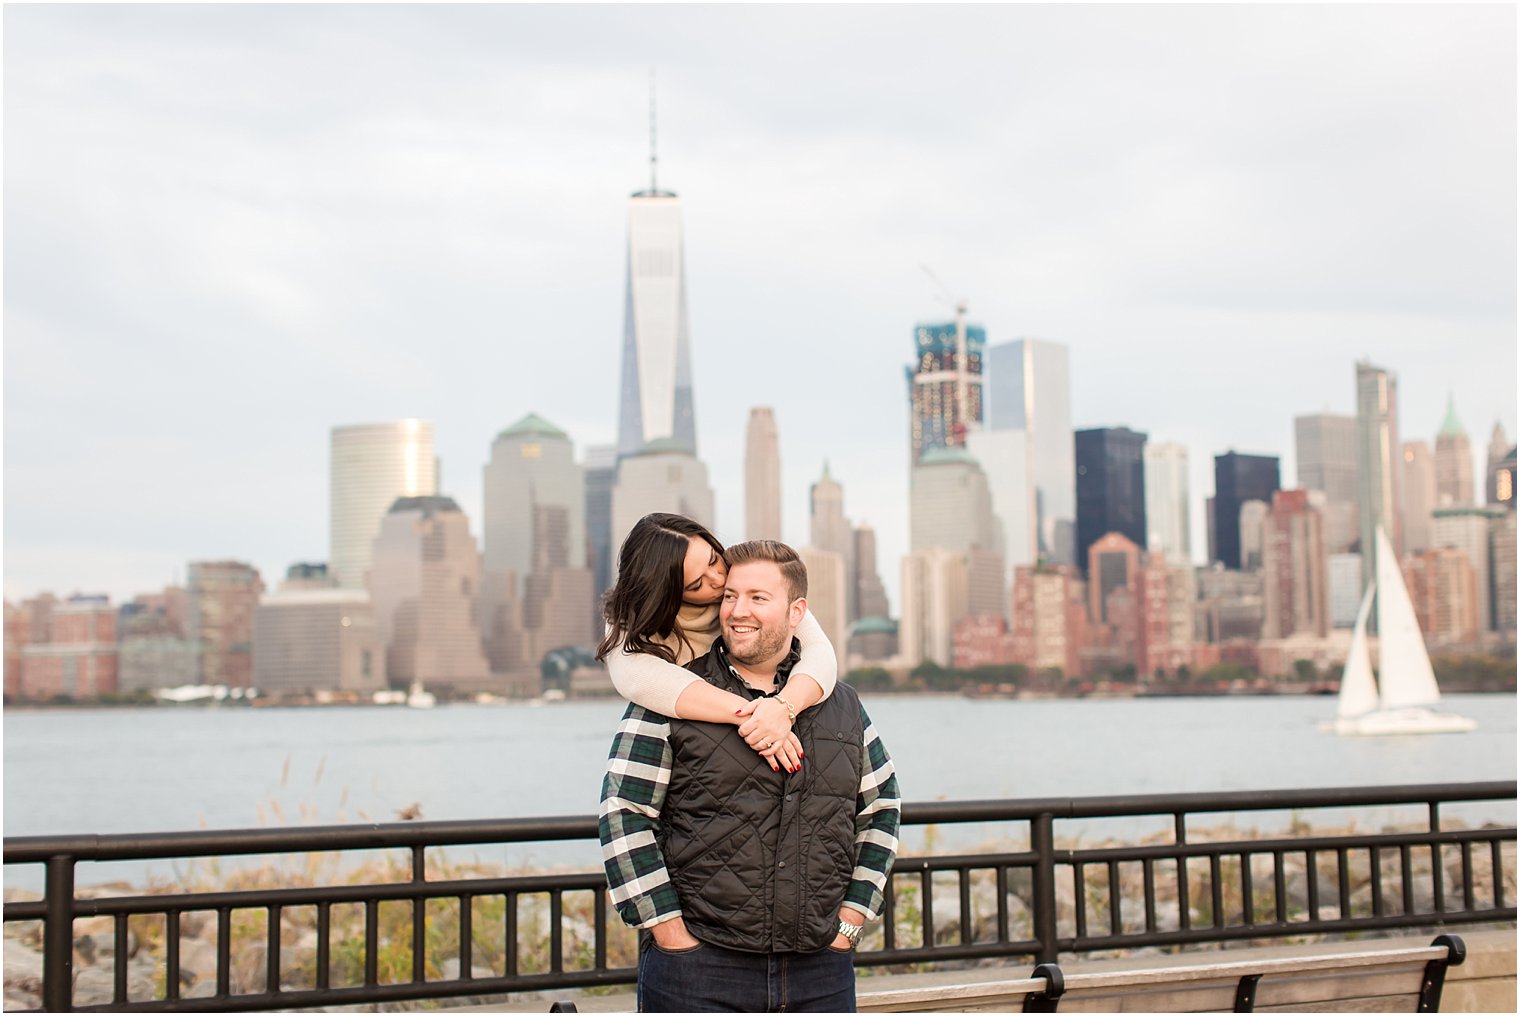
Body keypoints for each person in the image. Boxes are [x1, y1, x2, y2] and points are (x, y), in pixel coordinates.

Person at [599, 540, 901, 1013]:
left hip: (820, 969)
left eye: (758, 597)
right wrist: (670, 934)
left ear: (797, 610)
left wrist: (850, 921)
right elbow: (624, 813)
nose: (739, 611)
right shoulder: (670, 697)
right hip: (698, 972)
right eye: (729, 596)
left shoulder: (842, 705)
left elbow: (881, 809)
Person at [597, 513, 838, 772]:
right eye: (698, 583)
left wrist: (783, 707)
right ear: (668, 595)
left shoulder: (747, 580)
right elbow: (638, 679)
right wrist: (759, 718)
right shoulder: (631, 623)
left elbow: (820, 653)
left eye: (714, 560)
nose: (720, 580)